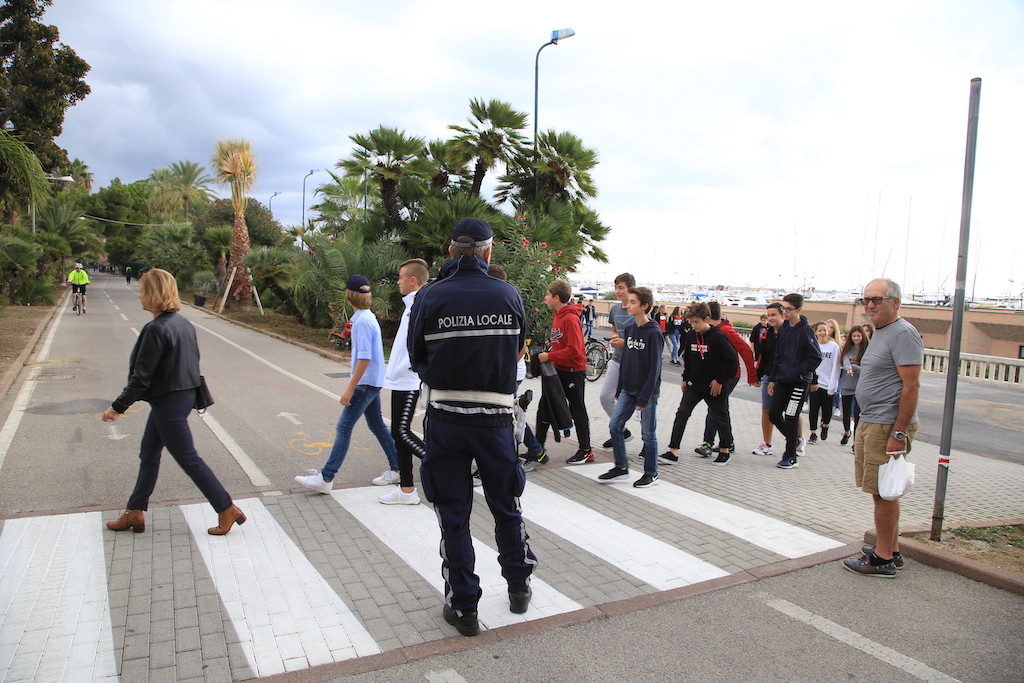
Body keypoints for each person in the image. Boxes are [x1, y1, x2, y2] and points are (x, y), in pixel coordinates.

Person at [408, 217, 537, 637]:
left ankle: (464, 608)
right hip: (496, 420)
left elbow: (415, 357)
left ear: (450, 251)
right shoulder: (508, 294)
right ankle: (518, 587)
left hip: (445, 419)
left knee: (453, 514)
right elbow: (517, 349)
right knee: (506, 506)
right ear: (488, 252)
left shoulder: (429, 296)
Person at [102, 268, 245, 536]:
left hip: (168, 402)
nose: (139, 296)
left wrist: (117, 407)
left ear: (155, 294)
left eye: (143, 291)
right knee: (148, 454)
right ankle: (134, 511)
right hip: (177, 398)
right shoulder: (182, 323)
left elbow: (141, 378)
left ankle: (226, 507)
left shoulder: (156, 329)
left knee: (188, 458)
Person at [843, 278, 922, 578]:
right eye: (866, 299)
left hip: (887, 424)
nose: (870, 305)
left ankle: (882, 558)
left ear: (895, 302)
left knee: (884, 493)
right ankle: (891, 549)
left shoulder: (903, 333)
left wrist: (898, 433)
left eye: (877, 299)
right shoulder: (881, 331)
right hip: (871, 420)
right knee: (883, 490)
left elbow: (911, 385)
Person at [295, 275, 400, 494]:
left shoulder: (361, 322)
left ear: (349, 295)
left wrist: (350, 388)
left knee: (344, 428)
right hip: (373, 381)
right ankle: (398, 468)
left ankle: (326, 478)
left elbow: (364, 357)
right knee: (377, 425)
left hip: (365, 383)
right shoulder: (368, 317)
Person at [659, 302, 739, 466]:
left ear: (707, 319)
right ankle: (673, 451)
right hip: (694, 385)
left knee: (720, 417)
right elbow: (688, 359)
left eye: (697, 322)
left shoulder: (718, 337)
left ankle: (724, 450)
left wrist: (720, 380)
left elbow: (732, 362)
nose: (693, 325)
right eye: (691, 322)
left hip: (714, 386)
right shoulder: (691, 336)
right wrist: (685, 378)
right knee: (681, 414)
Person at [598, 286, 662, 487]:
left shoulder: (654, 333)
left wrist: (644, 397)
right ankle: (621, 467)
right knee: (615, 425)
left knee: (648, 434)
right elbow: (626, 359)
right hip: (628, 389)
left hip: (646, 393)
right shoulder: (631, 328)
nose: (628, 306)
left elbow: (655, 369)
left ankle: (651, 473)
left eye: (633, 302)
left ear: (645, 306)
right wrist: (619, 388)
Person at [378, 260, 430, 505]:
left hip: (409, 379)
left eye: (400, 277)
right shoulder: (411, 305)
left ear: (412, 280)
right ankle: (406, 489)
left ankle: (443, 466)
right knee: (398, 432)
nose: (398, 281)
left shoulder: (419, 305)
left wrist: (410, 368)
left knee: (401, 431)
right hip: (400, 379)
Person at [536, 280, 593, 464]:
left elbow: (574, 350)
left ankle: (586, 450)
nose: (545, 297)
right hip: (558, 369)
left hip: (573, 371)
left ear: (556, 297)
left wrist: (550, 356)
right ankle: (537, 448)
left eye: (548, 294)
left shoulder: (569, 318)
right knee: (545, 406)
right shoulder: (558, 315)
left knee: (577, 409)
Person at [692, 302, 757, 458]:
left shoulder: (725, 331)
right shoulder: (709, 331)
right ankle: (728, 442)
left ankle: (708, 443)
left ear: (707, 317)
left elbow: (746, 350)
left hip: (729, 376)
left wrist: (752, 376)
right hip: (717, 376)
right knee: (721, 409)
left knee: (715, 408)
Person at [768, 293, 821, 469]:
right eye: (784, 308)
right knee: (774, 413)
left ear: (798, 310)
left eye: (789, 309)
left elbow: (816, 356)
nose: (785, 312)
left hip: (799, 381)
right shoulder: (783, 329)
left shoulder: (806, 330)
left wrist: (800, 370)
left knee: (791, 416)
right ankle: (794, 439)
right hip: (783, 379)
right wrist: (773, 379)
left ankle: (791, 455)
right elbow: (778, 355)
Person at [600, 273, 637, 447]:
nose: (617, 291)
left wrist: (625, 342)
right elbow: (615, 329)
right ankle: (620, 430)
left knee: (640, 404)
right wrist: (615, 337)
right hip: (616, 359)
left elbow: (645, 338)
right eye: (615, 287)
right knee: (605, 397)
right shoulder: (614, 310)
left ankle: (648, 443)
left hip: (635, 364)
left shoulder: (639, 310)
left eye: (621, 287)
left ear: (630, 288)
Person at [752, 303, 784, 456]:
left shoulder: (790, 333)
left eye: (773, 315)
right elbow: (762, 356)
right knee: (766, 409)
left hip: (786, 377)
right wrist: (757, 375)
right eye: (769, 315)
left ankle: (797, 440)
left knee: (790, 412)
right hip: (768, 375)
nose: (770, 318)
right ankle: (767, 443)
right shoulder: (767, 334)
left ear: (782, 315)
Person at [807, 322, 841, 444]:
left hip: (828, 384)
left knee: (827, 410)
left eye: (824, 330)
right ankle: (813, 433)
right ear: (815, 332)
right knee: (813, 409)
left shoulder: (834, 347)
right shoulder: (813, 345)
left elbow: (836, 367)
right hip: (815, 383)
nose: (822, 333)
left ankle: (825, 425)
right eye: (820, 330)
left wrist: (833, 385)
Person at [839, 325, 868, 447]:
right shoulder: (847, 350)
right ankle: (847, 432)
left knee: (857, 415)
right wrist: (849, 368)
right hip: (847, 385)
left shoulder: (867, 350)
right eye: (854, 336)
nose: (856, 338)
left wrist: (855, 368)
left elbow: (867, 368)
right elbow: (845, 362)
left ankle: (856, 442)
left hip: (860, 386)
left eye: (859, 336)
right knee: (846, 413)